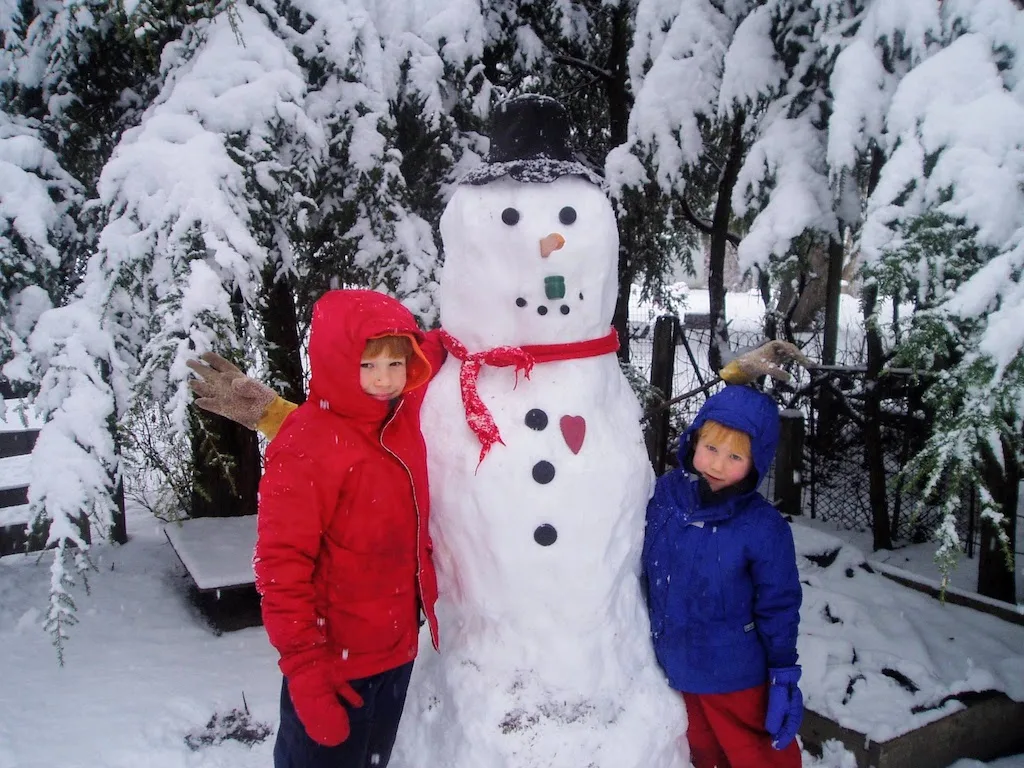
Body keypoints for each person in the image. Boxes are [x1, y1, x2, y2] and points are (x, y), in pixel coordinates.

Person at [245, 289, 442, 768]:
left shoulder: (400, 416)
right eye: (367, 365)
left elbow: (439, 349)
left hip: (396, 653)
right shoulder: (308, 443)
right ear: (337, 360)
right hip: (335, 669)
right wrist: (307, 678)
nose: (384, 379)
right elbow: (281, 569)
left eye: (396, 364)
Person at [641, 384, 804, 768]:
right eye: (711, 448)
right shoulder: (666, 494)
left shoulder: (762, 528)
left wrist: (783, 671)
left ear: (756, 463)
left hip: (735, 678)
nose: (717, 464)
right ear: (694, 440)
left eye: (735, 456)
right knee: (699, 753)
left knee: (755, 756)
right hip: (676, 667)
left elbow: (778, 603)